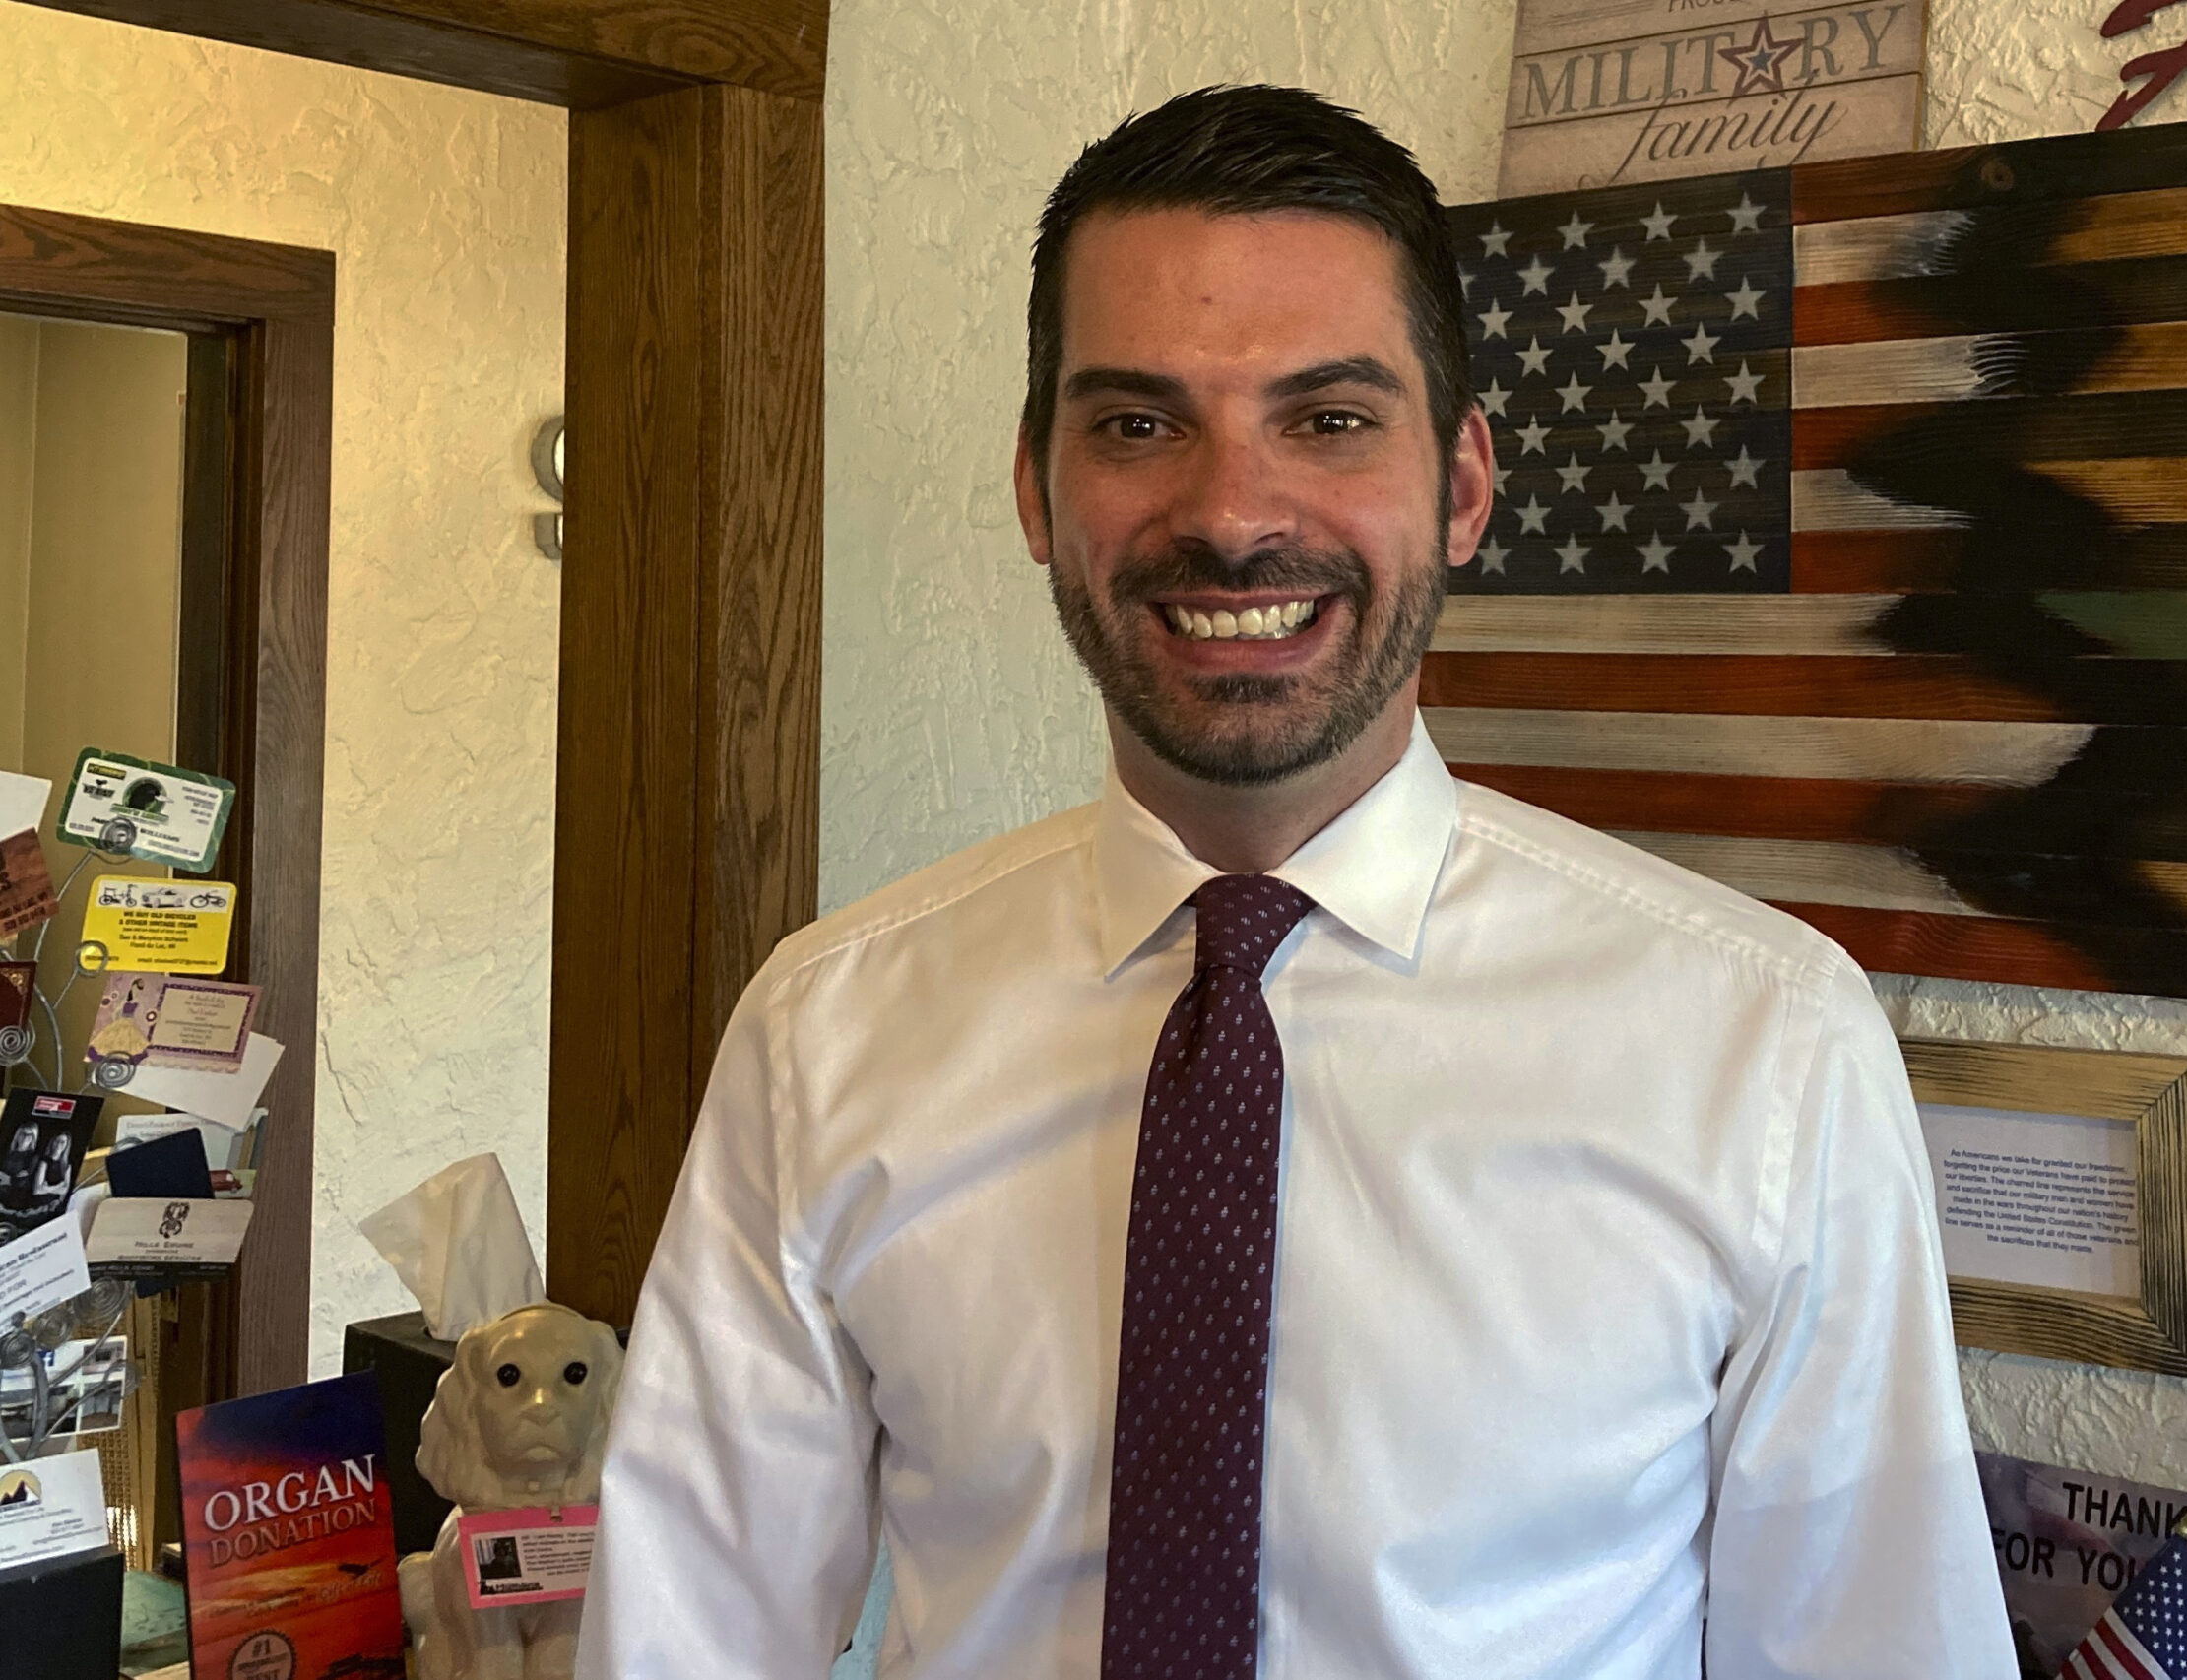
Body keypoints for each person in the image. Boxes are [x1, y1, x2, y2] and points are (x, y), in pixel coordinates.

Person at [580, 84, 2009, 1680]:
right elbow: (684, 1641)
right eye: (1136, 423)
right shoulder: (825, 1036)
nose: (1232, 514)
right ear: (1039, 496)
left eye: (1328, 418)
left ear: (1464, 486)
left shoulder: (1765, 1050)